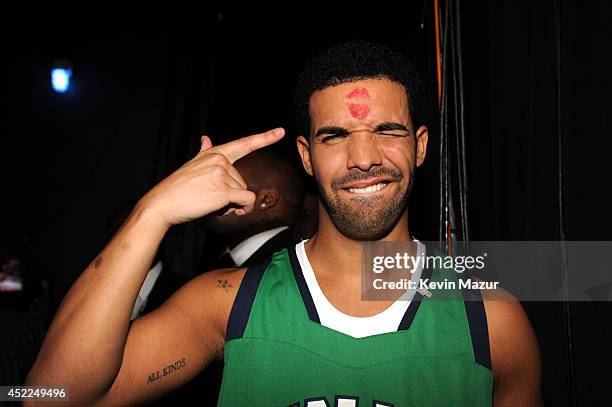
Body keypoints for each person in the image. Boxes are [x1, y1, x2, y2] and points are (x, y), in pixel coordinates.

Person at [25, 41, 542, 406]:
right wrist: (151, 212)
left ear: (420, 146)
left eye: (387, 130)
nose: (364, 158)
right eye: (335, 136)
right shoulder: (228, 303)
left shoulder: (491, 320)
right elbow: (51, 398)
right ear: (307, 156)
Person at [202, 149, 305, 269]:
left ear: (267, 199)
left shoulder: (287, 270)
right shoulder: (216, 257)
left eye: (228, 183)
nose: (210, 190)